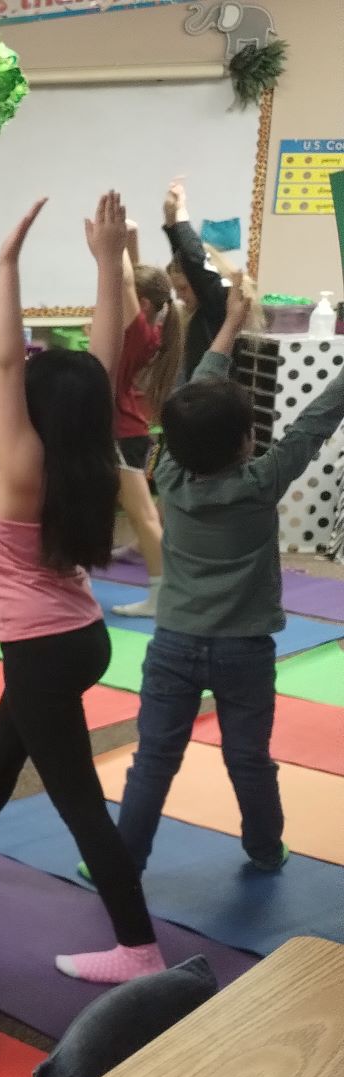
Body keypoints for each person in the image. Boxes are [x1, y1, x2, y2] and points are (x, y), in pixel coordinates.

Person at [0, 193, 166, 985]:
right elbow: (100, 365)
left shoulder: (25, 466)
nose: (12, 384)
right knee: (0, 756)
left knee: (78, 803)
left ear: (34, 407)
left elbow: (1, 364)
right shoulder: (86, 450)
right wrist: (107, 261)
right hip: (71, 639)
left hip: (45, 650)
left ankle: (138, 950)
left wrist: (5, 264)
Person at [116, 275, 343, 872]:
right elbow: (315, 422)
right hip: (244, 651)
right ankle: (265, 849)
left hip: (174, 644)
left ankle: (124, 858)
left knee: (153, 757)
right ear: (247, 441)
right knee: (248, 758)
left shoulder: (168, 475)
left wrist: (229, 326)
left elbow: (190, 395)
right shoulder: (261, 481)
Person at [108, 224, 188, 619]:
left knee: (143, 516)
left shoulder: (138, 333)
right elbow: (133, 281)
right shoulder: (147, 327)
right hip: (123, 431)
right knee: (140, 514)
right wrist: (130, 240)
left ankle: (160, 596)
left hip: (122, 434)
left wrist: (116, 242)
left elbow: (125, 280)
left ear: (139, 303)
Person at [162, 177, 231, 385]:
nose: (179, 297)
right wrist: (171, 221)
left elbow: (195, 261)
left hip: (210, 391)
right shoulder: (202, 307)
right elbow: (186, 259)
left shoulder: (218, 301)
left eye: (183, 289)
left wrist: (181, 213)